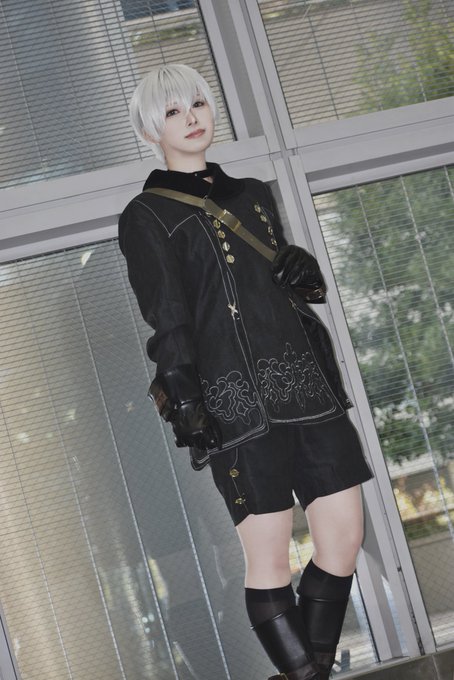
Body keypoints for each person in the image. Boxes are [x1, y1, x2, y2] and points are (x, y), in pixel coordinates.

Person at [118, 63, 373, 680]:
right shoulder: (146, 214)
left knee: (343, 540)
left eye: (198, 104)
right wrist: (185, 401)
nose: (192, 118)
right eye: (173, 111)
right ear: (150, 130)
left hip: (304, 386)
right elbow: (168, 316)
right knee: (270, 558)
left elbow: (280, 289)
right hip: (234, 403)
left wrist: (301, 272)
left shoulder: (253, 194)